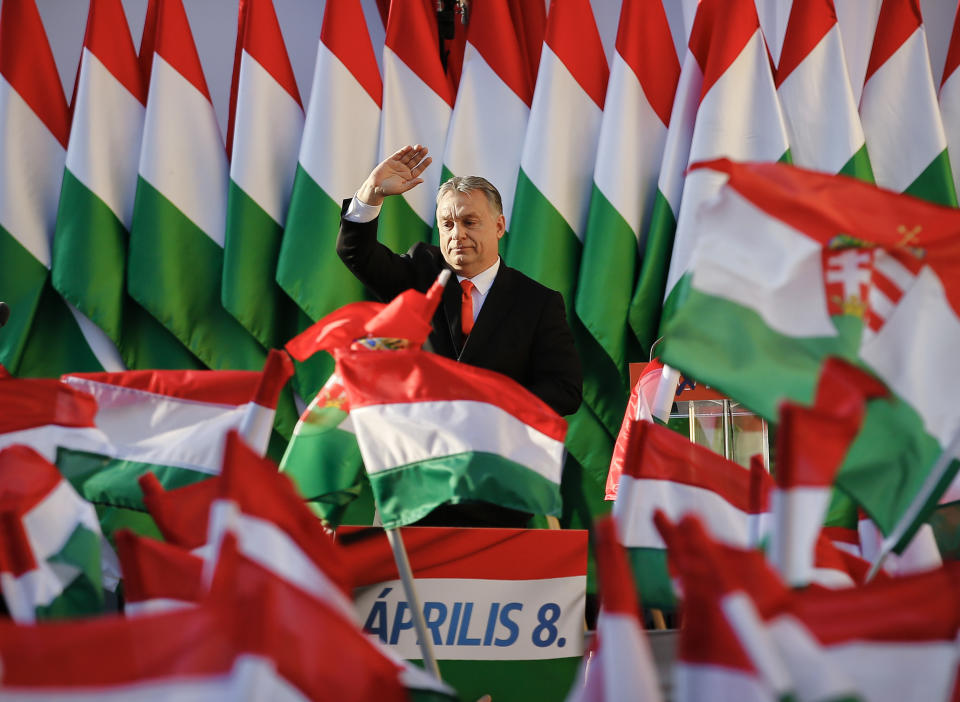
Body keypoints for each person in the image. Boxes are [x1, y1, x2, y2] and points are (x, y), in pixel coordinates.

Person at [336, 145, 583, 527]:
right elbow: (356, 252)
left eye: (470, 222)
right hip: (419, 486)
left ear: (499, 226)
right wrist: (370, 192)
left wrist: (485, 402)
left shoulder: (538, 302)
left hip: (498, 488)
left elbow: (565, 390)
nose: (457, 235)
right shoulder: (420, 272)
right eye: (447, 224)